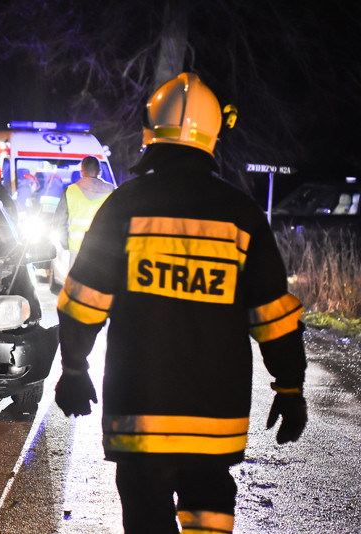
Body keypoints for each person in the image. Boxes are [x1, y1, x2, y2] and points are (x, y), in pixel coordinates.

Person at [54, 72, 307, 533]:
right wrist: (289, 386)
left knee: (147, 517)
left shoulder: (125, 205)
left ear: (150, 133)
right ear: (213, 136)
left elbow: (83, 301)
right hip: (216, 420)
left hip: (140, 414)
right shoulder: (241, 213)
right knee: (209, 512)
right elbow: (274, 315)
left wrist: (74, 368)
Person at [52, 156, 114, 264]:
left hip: (76, 249)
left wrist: (65, 243)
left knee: (75, 281)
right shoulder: (111, 190)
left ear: (81, 172)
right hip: (103, 249)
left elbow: (58, 221)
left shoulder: (70, 191)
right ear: (99, 172)